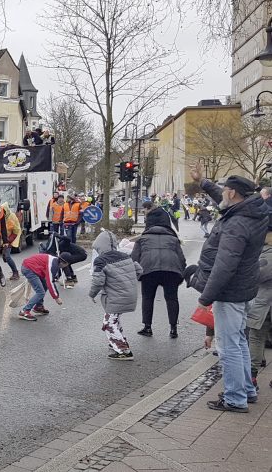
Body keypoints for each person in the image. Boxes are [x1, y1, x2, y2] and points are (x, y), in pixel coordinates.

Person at [186, 163, 266, 413]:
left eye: (224, 190)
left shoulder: (237, 224)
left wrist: (206, 297)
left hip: (229, 292)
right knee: (239, 342)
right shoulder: (250, 211)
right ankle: (247, 390)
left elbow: (225, 265)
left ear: (232, 193)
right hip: (243, 288)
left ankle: (235, 398)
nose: (221, 193)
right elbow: (221, 198)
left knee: (229, 346)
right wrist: (203, 182)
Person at [131, 207, 187, 339]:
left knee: (148, 298)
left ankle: (147, 327)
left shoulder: (142, 238)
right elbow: (182, 259)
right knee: (172, 298)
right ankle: (173, 329)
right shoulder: (173, 239)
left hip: (149, 271)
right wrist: (181, 274)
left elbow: (134, 259)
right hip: (171, 271)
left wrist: (137, 274)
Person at [89, 230, 142, 360]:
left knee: (108, 323)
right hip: (129, 294)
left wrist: (92, 294)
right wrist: (128, 283)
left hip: (115, 296)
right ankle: (117, 343)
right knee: (114, 320)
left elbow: (98, 281)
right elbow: (139, 270)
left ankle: (123, 350)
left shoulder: (101, 261)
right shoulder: (125, 256)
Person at [247, 229, 272, 391]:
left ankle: (251, 377)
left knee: (256, 338)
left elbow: (258, 275)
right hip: (264, 304)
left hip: (265, 304)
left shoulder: (268, 254)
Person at [17, 252, 65, 321]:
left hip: (32, 267)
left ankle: (39, 306)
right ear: (63, 263)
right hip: (29, 269)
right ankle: (24, 311)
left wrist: (56, 295)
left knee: (44, 285)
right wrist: (56, 297)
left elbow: (49, 281)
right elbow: (50, 282)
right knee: (40, 292)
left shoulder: (55, 260)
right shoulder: (53, 264)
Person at [0, 202, 21, 280]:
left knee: (8, 257)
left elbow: (16, 230)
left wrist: (8, 241)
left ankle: (15, 273)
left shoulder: (12, 216)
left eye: (3, 211)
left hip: (10, 238)